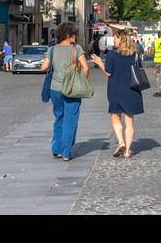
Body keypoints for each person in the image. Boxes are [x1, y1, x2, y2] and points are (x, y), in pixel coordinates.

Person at [39, 21, 90, 161]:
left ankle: (56, 149)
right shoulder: (76, 49)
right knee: (70, 120)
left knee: (59, 117)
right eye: (74, 34)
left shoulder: (52, 49)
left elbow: (43, 67)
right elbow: (86, 68)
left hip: (55, 89)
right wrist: (81, 82)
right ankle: (66, 152)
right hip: (72, 89)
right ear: (68, 35)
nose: (76, 37)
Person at [91, 30, 144, 159]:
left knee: (115, 117)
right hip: (132, 90)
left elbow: (108, 72)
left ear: (121, 40)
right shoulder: (135, 55)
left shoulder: (112, 55)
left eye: (115, 38)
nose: (113, 41)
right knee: (129, 120)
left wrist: (100, 63)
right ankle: (127, 151)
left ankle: (121, 142)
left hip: (115, 90)